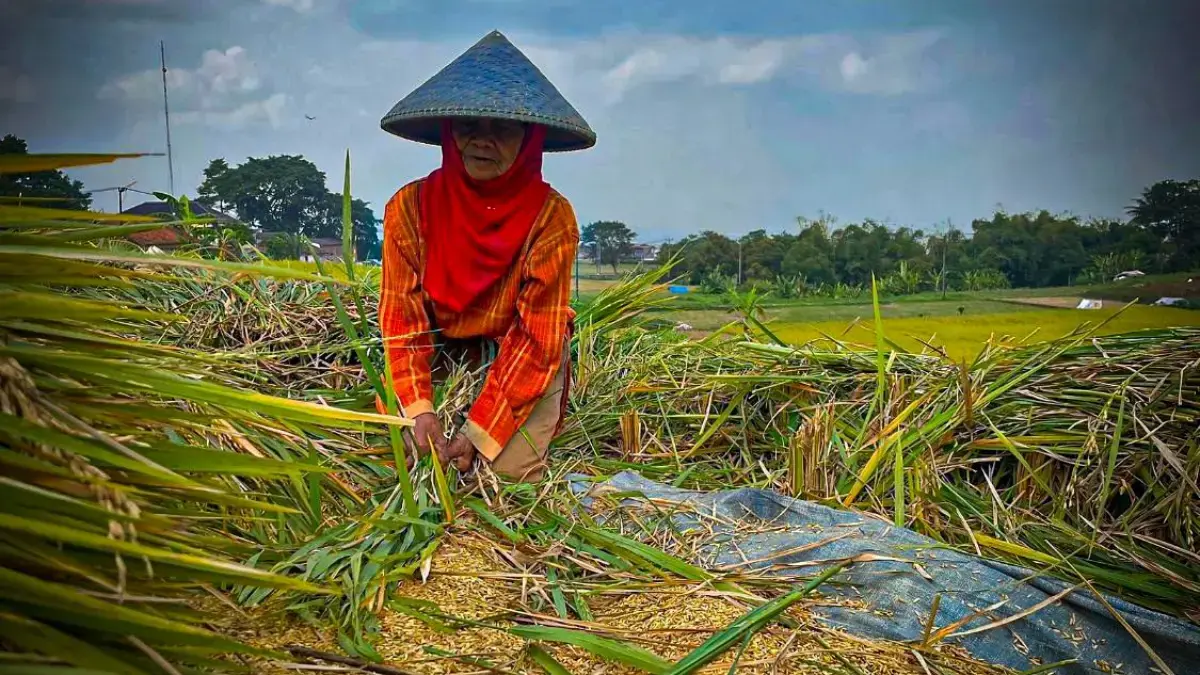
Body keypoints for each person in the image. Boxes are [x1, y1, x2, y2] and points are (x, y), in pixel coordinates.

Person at [375, 30, 596, 483]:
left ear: (530, 138)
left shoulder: (551, 219)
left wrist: (479, 433)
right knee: (402, 457)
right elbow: (403, 323)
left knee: (506, 475)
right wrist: (418, 410)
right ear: (447, 132)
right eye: (468, 126)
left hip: (517, 350)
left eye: (503, 128)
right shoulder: (410, 209)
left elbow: (537, 339)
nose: (482, 141)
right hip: (442, 344)